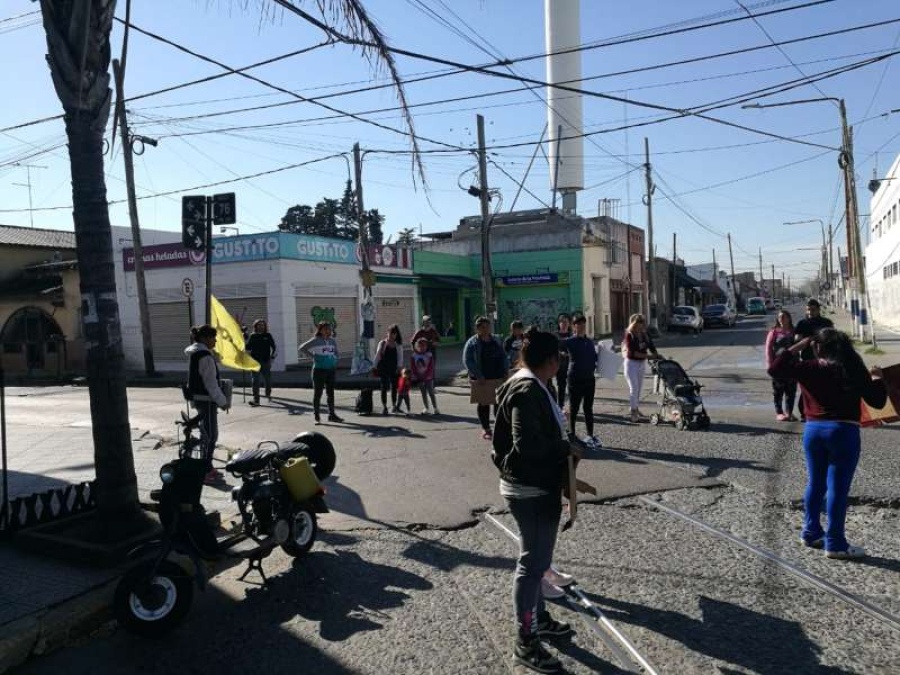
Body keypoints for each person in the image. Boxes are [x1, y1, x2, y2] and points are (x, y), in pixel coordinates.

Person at [492, 327, 578, 673]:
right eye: (559, 357)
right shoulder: (528, 389)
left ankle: (538, 618)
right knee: (532, 565)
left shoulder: (531, 383)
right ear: (552, 361)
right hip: (530, 489)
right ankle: (525, 642)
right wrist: (567, 448)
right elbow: (527, 445)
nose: (561, 363)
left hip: (534, 485)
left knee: (538, 561)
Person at [768, 328, 886, 559]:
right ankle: (835, 543)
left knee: (815, 483)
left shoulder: (808, 368)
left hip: (813, 431)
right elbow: (878, 402)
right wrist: (878, 379)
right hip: (843, 431)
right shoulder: (852, 368)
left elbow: (775, 368)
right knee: (838, 489)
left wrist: (799, 345)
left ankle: (811, 532)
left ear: (817, 347)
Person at [184, 325, 230, 484]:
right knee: (210, 435)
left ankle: (207, 466)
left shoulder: (196, 353)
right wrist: (223, 402)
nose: (215, 341)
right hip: (207, 400)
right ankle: (204, 470)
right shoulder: (204, 356)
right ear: (204, 338)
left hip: (200, 399)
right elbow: (210, 383)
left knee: (207, 434)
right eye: (213, 337)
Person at [463, 316, 509, 440]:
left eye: (487, 327)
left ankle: (499, 428)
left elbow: (504, 356)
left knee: (498, 403)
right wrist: (478, 375)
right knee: (483, 404)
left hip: (497, 376)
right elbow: (468, 360)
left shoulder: (496, 340)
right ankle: (486, 429)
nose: (485, 329)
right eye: (482, 327)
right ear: (477, 328)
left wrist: (505, 371)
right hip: (482, 378)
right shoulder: (472, 342)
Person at [794, 298, 834, 421]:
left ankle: (823, 411)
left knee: (824, 386)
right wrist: (803, 339)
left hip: (824, 359)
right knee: (806, 388)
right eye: (808, 310)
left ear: (818, 309)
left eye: (813, 309)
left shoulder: (826, 322)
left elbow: (833, 338)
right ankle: (804, 413)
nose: (810, 312)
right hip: (807, 359)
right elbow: (796, 339)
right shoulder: (802, 323)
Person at [298, 321, 343, 424]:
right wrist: (313, 357)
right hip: (319, 370)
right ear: (320, 330)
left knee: (330, 393)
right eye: (325, 329)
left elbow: (336, 352)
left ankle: (332, 415)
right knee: (318, 393)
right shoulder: (316, 340)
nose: (328, 331)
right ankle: (317, 415)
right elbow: (302, 348)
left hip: (331, 370)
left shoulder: (332, 341)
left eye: (329, 329)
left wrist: (335, 359)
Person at [565, 315, 600, 446]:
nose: (582, 327)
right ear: (574, 326)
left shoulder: (589, 341)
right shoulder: (570, 341)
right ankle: (571, 435)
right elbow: (557, 347)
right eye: (579, 324)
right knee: (574, 408)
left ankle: (590, 435)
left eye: (583, 324)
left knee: (588, 408)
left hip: (590, 379)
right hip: (575, 378)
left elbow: (595, 358)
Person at [622, 313, 658, 423]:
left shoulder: (645, 334)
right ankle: (633, 411)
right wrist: (649, 356)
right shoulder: (629, 335)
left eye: (643, 323)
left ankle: (635, 408)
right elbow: (632, 353)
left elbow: (651, 346)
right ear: (634, 324)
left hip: (641, 364)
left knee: (639, 389)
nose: (642, 326)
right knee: (634, 388)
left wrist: (656, 355)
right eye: (639, 323)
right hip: (631, 364)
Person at [765, 310, 797, 421]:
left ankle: (789, 412)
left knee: (791, 391)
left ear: (789, 318)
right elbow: (768, 349)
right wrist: (770, 364)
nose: (781, 319)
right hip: (778, 366)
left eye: (784, 317)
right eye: (779, 317)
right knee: (778, 391)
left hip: (792, 366)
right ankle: (779, 412)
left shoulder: (794, 332)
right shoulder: (774, 332)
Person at [245, 318, 277, 406]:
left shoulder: (268, 335)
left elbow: (273, 347)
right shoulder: (253, 336)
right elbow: (248, 348)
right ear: (255, 326)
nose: (261, 326)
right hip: (254, 361)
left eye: (262, 325)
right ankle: (256, 400)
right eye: (259, 325)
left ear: (265, 326)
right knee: (255, 380)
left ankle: (268, 393)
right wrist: (243, 340)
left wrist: (272, 356)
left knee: (268, 380)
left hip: (266, 361)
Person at [373, 325, 403, 415]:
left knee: (394, 387)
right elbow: (377, 355)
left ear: (396, 335)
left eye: (393, 334)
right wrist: (374, 366)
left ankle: (394, 406)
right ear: (387, 333)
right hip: (383, 368)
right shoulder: (382, 343)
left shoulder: (398, 345)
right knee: (383, 387)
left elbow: (400, 358)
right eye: (390, 333)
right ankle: (384, 406)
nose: (391, 336)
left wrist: (399, 367)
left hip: (394, 368)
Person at [410, 337, 439, 415]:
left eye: (424, 346)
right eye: (420, 346)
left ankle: (435, 408)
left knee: (431, 392)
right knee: (423, 393)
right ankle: (426, 408)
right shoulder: (414, 356)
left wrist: (426, 376)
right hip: (419, 378)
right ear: (417, 346)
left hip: (428, 378)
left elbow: (431, 367)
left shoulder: (429, 355)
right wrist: (416, 375)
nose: (422, 348)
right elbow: (413, 367)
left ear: (426, 346)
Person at [554, 313, 572, 408]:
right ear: (559, 323)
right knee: (561, 385)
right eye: (562, 321)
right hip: (559, 364)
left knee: (572, 385)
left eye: (566, 322)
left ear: (569, 323)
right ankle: (560, 405)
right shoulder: (555, 335)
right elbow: (552, 348)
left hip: (572, 364)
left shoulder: (572, 335)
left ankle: (573, 405)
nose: (564, 324)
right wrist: (560, 352)